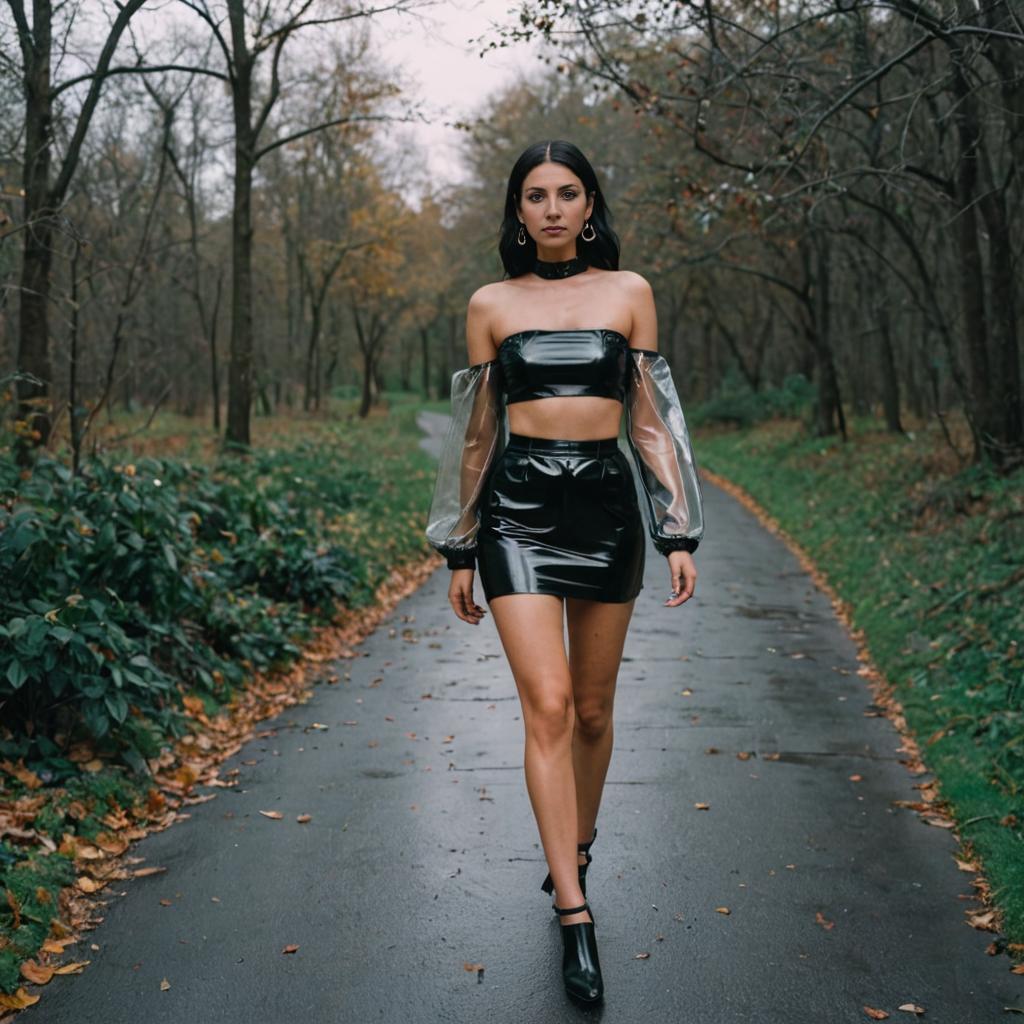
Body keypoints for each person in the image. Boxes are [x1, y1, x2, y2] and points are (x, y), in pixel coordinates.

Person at [424, 139, 705, 1005]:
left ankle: (572, 848)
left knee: (590, 709)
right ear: (517, 210)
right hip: (518, 510)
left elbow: (654, 420)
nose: (552, 208)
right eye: (536, 195)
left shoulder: (630, 295)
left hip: (607, 509)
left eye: (568, 193)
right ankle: (575, 914)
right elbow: (475, 433)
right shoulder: (489, 304)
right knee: (545, 705)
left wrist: (677, 527)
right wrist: (461, 543)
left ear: (591, 207)